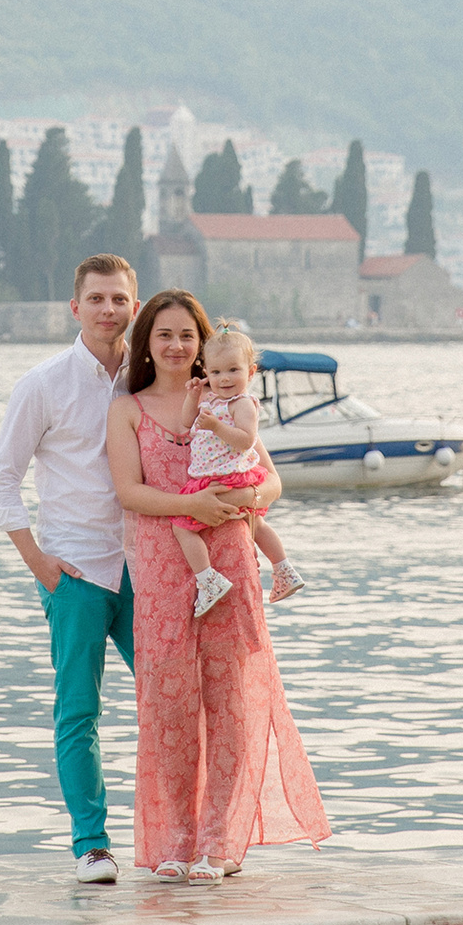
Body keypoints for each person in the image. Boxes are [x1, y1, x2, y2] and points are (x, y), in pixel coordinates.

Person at [0, 254, 239, 884]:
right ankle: (91, 845)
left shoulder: (149, 378)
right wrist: (39, 562)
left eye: (119, 300)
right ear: (75, 307)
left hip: (152, 567)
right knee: (79, 710)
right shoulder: (42, 384)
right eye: (95, 299)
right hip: (75, 570)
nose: (108, 310)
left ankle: (196, 839)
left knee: (176, 702)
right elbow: (1, 483)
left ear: (135, 305)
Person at [108, 288, 329, 879]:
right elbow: (128, 492)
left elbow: (272, 481)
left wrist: (248, 498)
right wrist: (196, 504)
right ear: (146, 343)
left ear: (204, 347)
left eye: (187, 336)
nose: (177, 346)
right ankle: (174, 843)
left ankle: (221, 843)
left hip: (230, 555)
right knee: (169, 705)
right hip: (159, 564)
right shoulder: (128, 408)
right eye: (164, 335)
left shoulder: (231, 400)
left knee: (230, 701)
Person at [172, 321, 307, 616]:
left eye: (233, 370)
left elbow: (246, 440)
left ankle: (208, 579)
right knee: (254, 525)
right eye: (216, 372)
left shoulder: (242, 404)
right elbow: (185, 423)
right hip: (217, 478)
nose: (225, 378)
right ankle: (283, 570)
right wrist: (193, 396)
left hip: (230, 477)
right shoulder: (211, 400)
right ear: (205, 372)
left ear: (250, 372)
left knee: (181, 526)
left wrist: (217, 426)